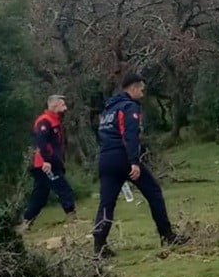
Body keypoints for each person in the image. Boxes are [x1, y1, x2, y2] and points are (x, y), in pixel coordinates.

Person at [92, 74, 187, 257]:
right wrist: (133, 162)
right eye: (141, 90)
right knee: (154, 192)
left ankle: (99, 246)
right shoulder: (129, 107)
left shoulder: (108, 110)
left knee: (106, 203)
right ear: (133, 88)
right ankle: (167, 235)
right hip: (123, 159)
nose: (143, 94)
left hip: (105, 159)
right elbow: (130, 135)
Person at [17, 95, 77, 234]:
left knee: (40, 195)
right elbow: (42, 143)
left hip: (49, 164)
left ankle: (26, 223)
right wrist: (47, 161)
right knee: (64, 189)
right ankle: (72, 218)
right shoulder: (44, 121)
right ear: (54, 106)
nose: (65, 108)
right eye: (63, 105)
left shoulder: (55, 121)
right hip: (45, 165)